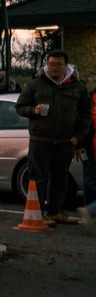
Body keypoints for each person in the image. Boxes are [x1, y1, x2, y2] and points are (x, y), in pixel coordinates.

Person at [16, 50, 92, 226]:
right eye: (51, 64)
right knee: (38, 177)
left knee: (60, 177)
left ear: (66, 66)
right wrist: (33, 110)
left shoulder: (78, 86)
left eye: (58, 65)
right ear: (46, 65)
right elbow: (20, 107)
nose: (54, 68)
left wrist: (78, 137)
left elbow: (86, 114)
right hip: (40, 140)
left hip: (66, 141)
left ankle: (55, 212)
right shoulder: (36, 84)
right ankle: (37, 214)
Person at [80, 86, 96, 233]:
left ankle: (90, 211)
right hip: (90, 147)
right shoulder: (90, 98)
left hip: (89, 146)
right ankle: (90, 211)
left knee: (90, 181)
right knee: (90, 181)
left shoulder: (90, 96)